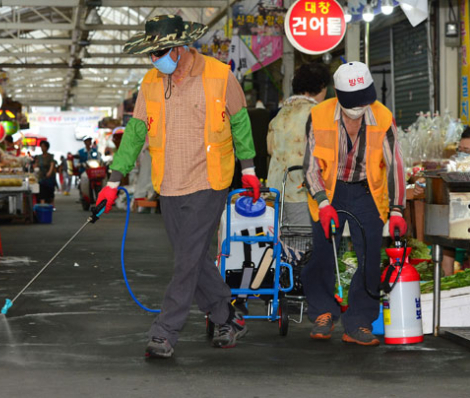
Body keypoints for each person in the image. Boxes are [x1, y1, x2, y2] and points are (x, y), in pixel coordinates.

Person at [94, 15, 260, 358]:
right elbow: (136, 133)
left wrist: (250, 170)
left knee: (186, 261)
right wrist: (113, 181)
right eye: (150, 55)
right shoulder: (151, 82)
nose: (155, 60)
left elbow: (241, 123)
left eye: (160, 53)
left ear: (181, 47)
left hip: (209, 180)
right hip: (168, 184)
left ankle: (165, 331)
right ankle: (228, 316)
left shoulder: (219, 75)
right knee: (194, 259)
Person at [302, 62, 407, 346]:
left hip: (367, 192)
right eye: (353, 102)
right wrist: (323, 203)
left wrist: (397, 209)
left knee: (369, 257)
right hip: (330, 190)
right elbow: (310, 167)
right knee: (324, 252)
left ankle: (359, 322)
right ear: (338, 94)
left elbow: (396, 164)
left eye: (364, 100)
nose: (360, 108)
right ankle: (323, 312)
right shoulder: (319, 114)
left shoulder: (383, 116)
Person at [266, 63, 331, 225]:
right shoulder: (318, 114)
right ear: (322, 87)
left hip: (276, 192)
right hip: (302, 193)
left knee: (283, 244)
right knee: (305, 245)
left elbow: (269, 148)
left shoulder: (281, 113)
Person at [413, 127, 470, 276]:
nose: (461, 154)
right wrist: (424, 183)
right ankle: (446, 287)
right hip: (454, 215)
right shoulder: (458, 164)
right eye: (459, 149)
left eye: (466, 151)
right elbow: (444, 174)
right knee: (446, 243)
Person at [34, 141, 56, 206]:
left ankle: (51, 204)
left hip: (49, 177)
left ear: (47, 147)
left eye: (44, 146)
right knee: (42, 190)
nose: (42, 148)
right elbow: (36, 164)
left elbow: (52, 165)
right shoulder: (39, 157)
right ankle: (42, 204)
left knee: (50, 190)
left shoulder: (50, 156)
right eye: (41, 146)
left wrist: (49, 172)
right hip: (41, 177)